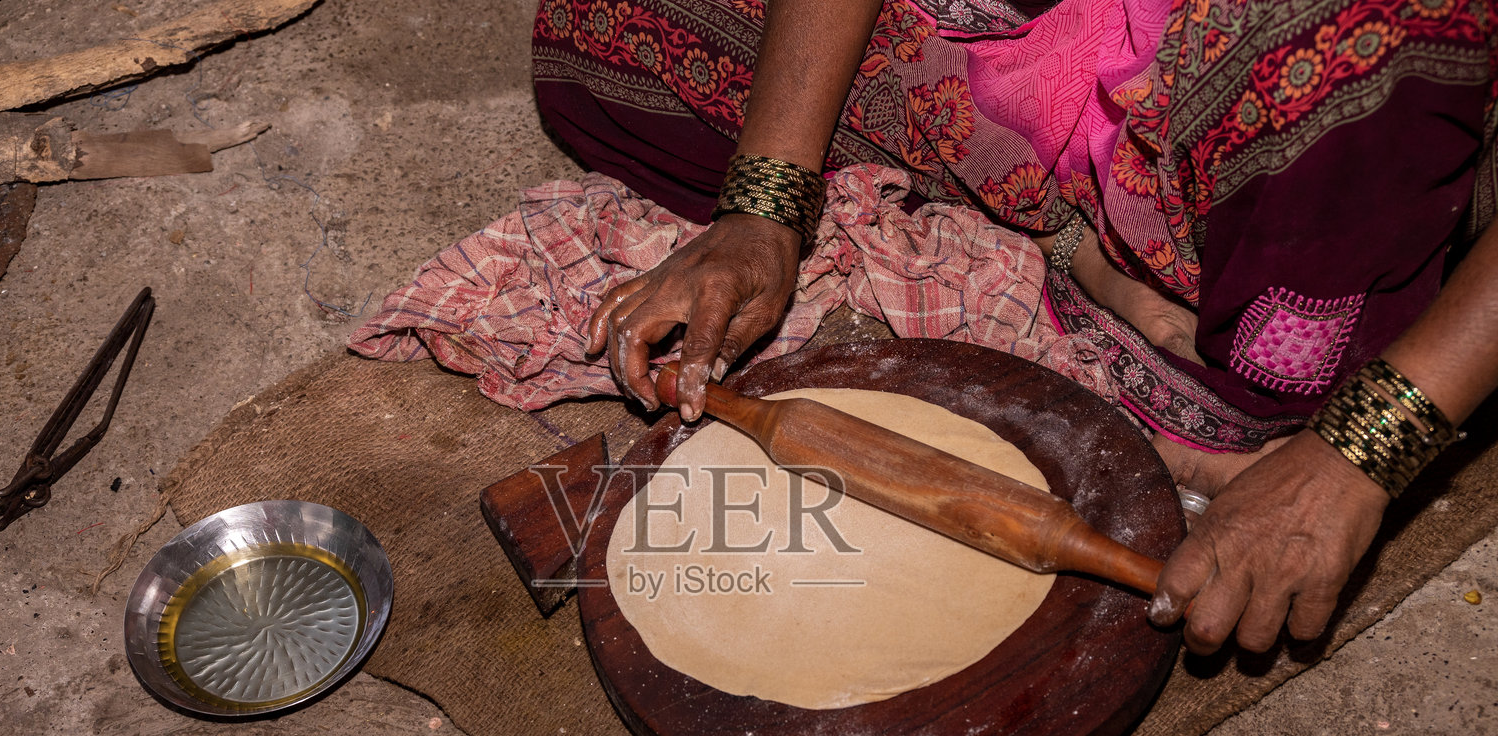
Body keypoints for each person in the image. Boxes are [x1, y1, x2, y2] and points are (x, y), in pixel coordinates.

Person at [532, 0, 1498, 654]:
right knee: (608, 34)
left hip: (1289, 61)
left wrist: (1359, 452)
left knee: (1347, 40)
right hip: (1029, 45)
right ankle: (1076, 230)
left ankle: (1252, 359)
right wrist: (768, 202)